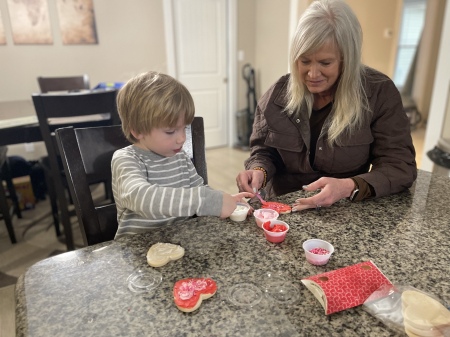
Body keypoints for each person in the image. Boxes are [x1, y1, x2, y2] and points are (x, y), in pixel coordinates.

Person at [236, 0, 417, 212]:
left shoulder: (379, 93)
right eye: (304, 61)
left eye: (325, 63)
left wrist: (348, 186)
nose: (312, 74)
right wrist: (259, 170)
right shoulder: (277, 94)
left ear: (347, 59)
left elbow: (399, 166)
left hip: (343, 209)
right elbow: (264, 151)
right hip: (283, 207)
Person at [112, 71, 253, 239]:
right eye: (170, 131)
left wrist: (225, 200)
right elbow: (141, 197)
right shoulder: (126, 159)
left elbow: (199, 190)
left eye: (184, 128)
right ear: (137, 131)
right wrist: (207, 201)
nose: (182, 138)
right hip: (137, 250)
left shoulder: (180, 157)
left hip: (181, 241)